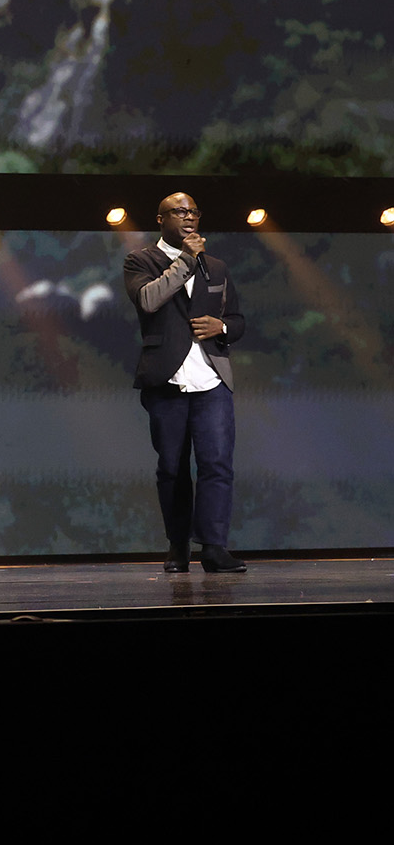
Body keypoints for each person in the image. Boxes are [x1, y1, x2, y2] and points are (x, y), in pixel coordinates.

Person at [124, 192, 248, 574]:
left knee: (217, 465)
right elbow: (149, 300)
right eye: (179, 211)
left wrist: (222, 327)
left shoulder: (218, 267)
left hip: (212, 378)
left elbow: (238, 318)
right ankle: (178, 547)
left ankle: (213, 547)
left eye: (194, 211)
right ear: (161, 219)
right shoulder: (140, 260)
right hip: (167, 379)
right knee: (173, 468)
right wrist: (186, 260)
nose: (189, 217)